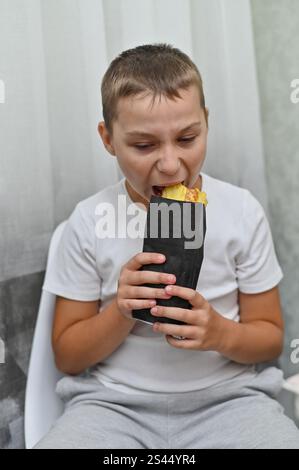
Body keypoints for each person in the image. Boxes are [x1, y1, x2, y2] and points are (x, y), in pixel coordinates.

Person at [34, 43, 299, 449]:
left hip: (229, 403)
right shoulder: (88, 222)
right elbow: (68, 357)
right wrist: (122, 312)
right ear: (108, 139)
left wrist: (219, 333)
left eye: (187, 137)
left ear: (206, 124)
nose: (171, 164)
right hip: (113, 406)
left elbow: (270, 338)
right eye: (144, 145)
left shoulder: (241, 212)